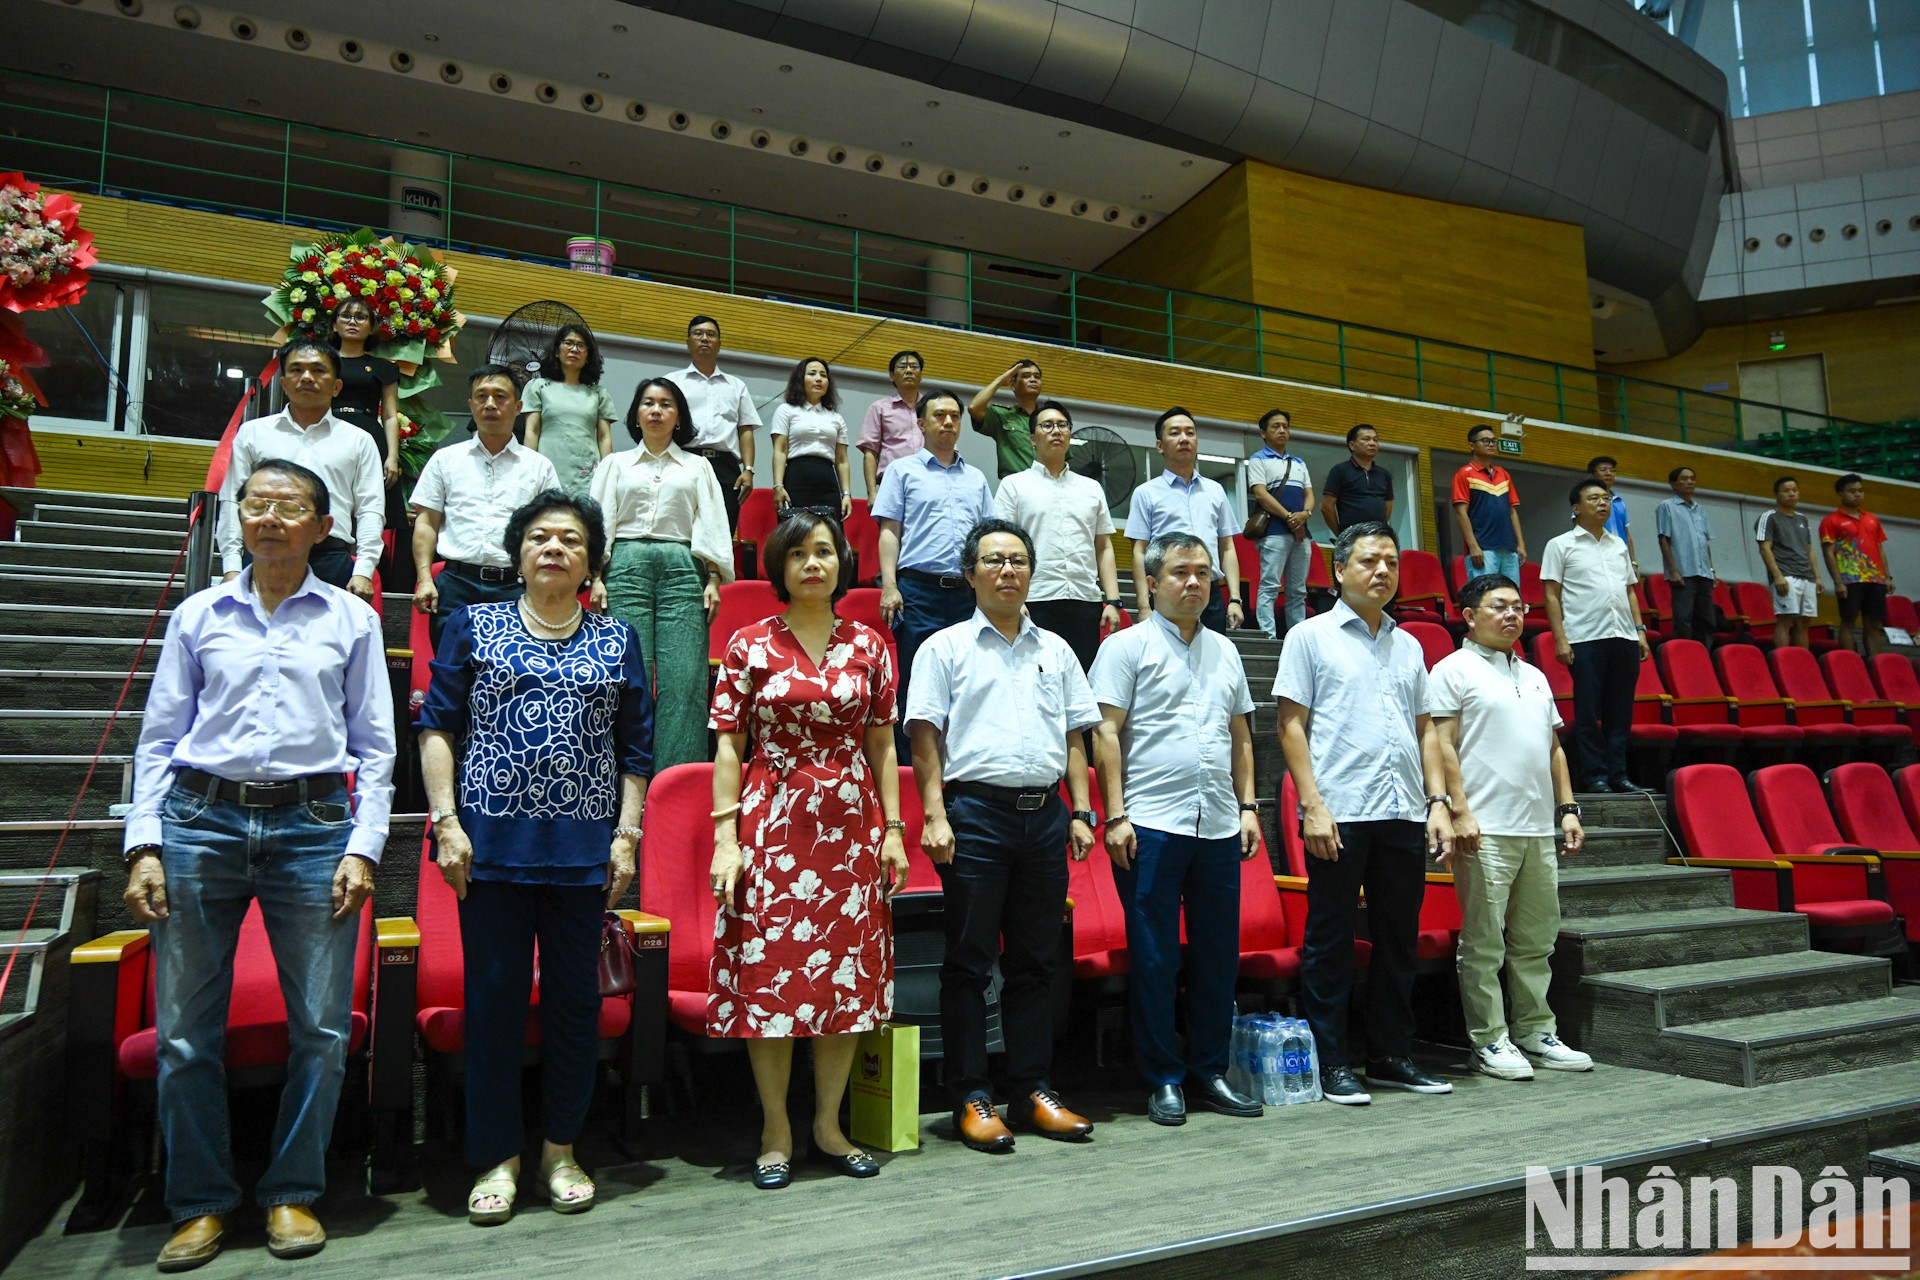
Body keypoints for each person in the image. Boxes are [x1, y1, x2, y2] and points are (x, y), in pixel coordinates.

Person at [123, 458, 395, 1271]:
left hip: (314, 824)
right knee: (183, 1032)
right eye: (258, 503)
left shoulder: (351, 620)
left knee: (319, 1025)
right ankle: (201, 1201)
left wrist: (363, 845)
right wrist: (144, 842)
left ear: (322, 527)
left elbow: (377, 748)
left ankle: (291, 1191)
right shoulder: (198, 614)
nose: (272, 517)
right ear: (238, 517)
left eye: (292, 506)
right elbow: (159, 738)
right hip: (200, 819)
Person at [418, 490, 652, 1227]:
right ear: (518, 553)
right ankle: (496, 1156)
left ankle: (560, 1149)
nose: (555, 548)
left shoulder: (617, 640)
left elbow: (636, 749)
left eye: (572, 540)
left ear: (590, 561)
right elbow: (437, 727)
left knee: (576, 1008)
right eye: (541, 538)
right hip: (488, 848)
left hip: (584, 851)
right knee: (492, 1003)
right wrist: (446, 822)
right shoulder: (473, 624)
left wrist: (627, 834)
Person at [708, 511, 910, 1190]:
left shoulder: (871, 644)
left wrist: (892, 830)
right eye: (798, 553)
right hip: (773, 822)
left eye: (824, 551)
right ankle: (775, 1128)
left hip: (851, 827)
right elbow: (730, 746)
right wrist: (725, 839)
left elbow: (883, 744)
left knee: (844, 980)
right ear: (780, 565)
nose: (813, 563)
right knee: (771, 977)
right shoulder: (748, 644)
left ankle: (828, 1123)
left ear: (842, 562)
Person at [907, 518, 1102, 1153]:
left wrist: (1080, 809)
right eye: (994, 560)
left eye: (1018, 560)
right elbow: (926, 740)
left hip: (1045, 815)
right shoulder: (944, 648)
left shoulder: (1058, 650)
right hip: (976, 815)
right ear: (970, 573)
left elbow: (1075, 738)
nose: (1008, 570)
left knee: (1035, 962)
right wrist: (934, 815)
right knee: (967, 962)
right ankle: (970, 1094)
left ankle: (1032, 1089)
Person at [1274, 521, 1455, 1106]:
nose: (1382, 572)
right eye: (1369, 561)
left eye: (1391, 563)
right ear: (1339, 570)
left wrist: (1437, 803)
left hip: (1403, 808)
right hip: (1341, 810)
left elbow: (1426, 730)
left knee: (1397, 939)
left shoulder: (1410, 643)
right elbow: (1290, 726)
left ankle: (1390, 1055)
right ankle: (1332, 1063)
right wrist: (1313, 806)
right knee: (1329, 941)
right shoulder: (1310, 636)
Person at [1090, 532, 1265, 1126]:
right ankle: (1163, 1077)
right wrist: (1115, 814)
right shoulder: (1125, 646)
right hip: (1151, 823)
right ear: (1155, 580)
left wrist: (1248, 807)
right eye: (1180, 572)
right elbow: (1105, 733)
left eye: (1203, 574)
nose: (1194, 583)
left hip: (1218, 821)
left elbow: (1241, 736)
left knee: (1218, 956)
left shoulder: (1227, 650)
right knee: (1157, 958)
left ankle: (1210, 1070)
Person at [1428, 573, 1592, 1082]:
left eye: (1518, 607)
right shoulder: (1452, 669)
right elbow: (1441, 743)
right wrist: (1459, 810)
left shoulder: (1537, 675)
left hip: (1537, 826)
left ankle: (1535, 1030)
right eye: (1498, 606)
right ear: (1469, 615)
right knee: (1484, 942)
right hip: (1485, 827)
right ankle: (1489, 1039)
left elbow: (1554, 748)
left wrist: (1567, 807)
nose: (1512, 615)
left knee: (1536, 939)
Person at [590, 377, 733, 772]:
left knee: (684, 683)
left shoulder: (698, 466)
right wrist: (596, 576)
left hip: (683, 568)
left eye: (666, 404)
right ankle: (620, 781)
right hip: (626, 565)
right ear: (636, 414)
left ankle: (677, 785)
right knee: (625, 679)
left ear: (679, 417)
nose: (656, 410)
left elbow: (712, 524)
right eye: (648, 403)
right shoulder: (614, 464)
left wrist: (714, 579)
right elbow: (599, 522)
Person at [873, 388, 994, 757]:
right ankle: (911, 771)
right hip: (918, 591)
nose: (948, 422)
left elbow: (988, 541)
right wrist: (890, 586)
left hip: (966, 595)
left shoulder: (976, 478)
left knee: (969, 680)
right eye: (939, 415)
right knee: (917, 681)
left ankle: (962, 763)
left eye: (955, 416)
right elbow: (889, 532)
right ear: (922, 424)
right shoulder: (901, 471)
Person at [411, 365, 561, 653]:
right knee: (451, 674)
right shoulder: (445, 460)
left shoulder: (539, 467)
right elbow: (426, 523)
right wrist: (425, 578)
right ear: (471, 405)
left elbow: (551, 531)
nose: (490, 404)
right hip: (455, 586)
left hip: (515, 587)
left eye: (500, 396)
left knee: (511, 678)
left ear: (518, 407)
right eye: (481, 396)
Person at [218, 340, 383, 600]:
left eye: (318, 370)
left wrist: (363, 570)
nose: (307, 377)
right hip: (264, 553)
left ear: (336, 386)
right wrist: (231, 566)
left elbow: (370, 507)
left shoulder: (359, 440)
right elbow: (232, 501)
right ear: (283, 384)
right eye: (296, 370)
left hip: (330, 559)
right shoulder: (253, 433)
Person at [991, 400, 1123, 672]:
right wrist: (1014, 602)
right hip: (1035, 601)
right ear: (1032, 438)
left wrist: (1112, 601)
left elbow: (1103, 547)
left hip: (1085, 602)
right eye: (1047, 425)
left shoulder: (1091, 488)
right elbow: (1001, 547)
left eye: (1062, 425)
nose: (1056, 431)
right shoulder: (1014, 485)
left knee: (1081, 683)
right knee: (1034, 681)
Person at [1542, 479, 1652, 794]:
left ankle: (1619, 773)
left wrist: (1640, 630)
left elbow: (1630, 591)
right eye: (1594, 498)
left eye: (1606, 498)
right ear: (1576, 508)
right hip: (1585, 636)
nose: (1603, 503)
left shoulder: (1618, 545)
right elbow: (1551, 595)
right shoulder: (1560, 545)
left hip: (1624, 636)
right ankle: (1594, 776)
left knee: (1620, 710)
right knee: (1588, 710)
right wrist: (1560, 638)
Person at [1124, 407, 1243, 635]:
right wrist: (1143, 606)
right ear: (1160, 445)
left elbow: (1227, 547)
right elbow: (1139, 552)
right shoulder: (1146, 493)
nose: (1184, 439)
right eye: (1175, 433)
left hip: (1209, 593)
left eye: (1190, 433)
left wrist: (1235, 598)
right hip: (1168, 591)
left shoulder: (1215, 491)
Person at [326, 297, 406, 587]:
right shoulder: (321, 360)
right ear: (334, 324)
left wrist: (392, 457)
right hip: (327, 433)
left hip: (369, 437)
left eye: (361, 317)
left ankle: (362, 569)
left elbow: (389, 414)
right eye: (345, 316)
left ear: (372, 328)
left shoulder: (383, 367)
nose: (352, 321)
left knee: (368, 503)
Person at [668, 314, 761, 529]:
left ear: (719, 344)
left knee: (722, 531)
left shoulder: (736, 386)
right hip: (684, 460)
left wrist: (749, 469)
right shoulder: (672, 382)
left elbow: (745, 430)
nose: (704, 338)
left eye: (711, 334)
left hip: (726, 467)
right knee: (682, 528)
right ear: (688, 341)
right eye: (698, 334)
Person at [523, 324, 616, 499]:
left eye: (581, 345)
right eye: (569, 343)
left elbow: (604, 438)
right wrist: (529, 467)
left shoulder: (598, 393)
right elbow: (532, 431)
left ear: (588, 356)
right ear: (557, 351)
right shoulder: (538, 387)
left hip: (587, 474)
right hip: (547, 467)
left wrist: (608, 473)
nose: (575, 349)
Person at [1245, 408, 1314, 639]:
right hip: (1274, 532)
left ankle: (1298, 639)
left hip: (1301, 533)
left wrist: (1305, 513)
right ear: (1263, 433)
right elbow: (1261, 495)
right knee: (1270, 586)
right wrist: (1289, 517)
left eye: (1285, 426)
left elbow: (1310, 494)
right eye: (1276, 426)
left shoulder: (1299, 462)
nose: (1282, 430)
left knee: (1298, 591)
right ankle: (1269, 637)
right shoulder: (1257, 459)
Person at [1821, 473, 1895, 656]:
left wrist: (1887, 576)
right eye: (1852, 491)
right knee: (1848, 621)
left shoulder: (1872, 519)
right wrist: (1838, 582)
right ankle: (1848, 662)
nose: (1858, 495)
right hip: (1850, 578)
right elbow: (1828, 553)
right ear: (1840, 493)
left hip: (1875, 578)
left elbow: (1880, 549)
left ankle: (1875, 664)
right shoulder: (1831, 521)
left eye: (1861, 491)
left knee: (1873, 624)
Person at [768, 356, 852, 516]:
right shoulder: (786, 410)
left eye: (823, 375)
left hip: (828, 481)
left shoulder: (836, 418)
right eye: (812, 374)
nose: (818, 379)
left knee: (829, 535)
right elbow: (780, 450)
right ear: (801, 379)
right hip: (796, 478)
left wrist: (846, 494)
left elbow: (842, 460)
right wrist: (778, 486)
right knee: (796, 534)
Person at [1756, 476, 1823, 650]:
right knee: (1786, 619)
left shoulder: (1802, 519)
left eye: (1794, 490)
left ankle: (1802, 661)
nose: (1791, 494)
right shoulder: (1768, 517)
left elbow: (1809, 550)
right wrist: (1778, 577)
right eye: (1786, 491)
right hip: (1786, 575)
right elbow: (1765, 549)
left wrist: (1818, 577)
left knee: (1804, 622)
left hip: (1806, 576)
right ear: (1776, 494)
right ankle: (1782, 661)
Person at [1451, 425, 1525, 582]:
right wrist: (1473, 546)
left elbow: (1512, 512)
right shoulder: (1464, 474)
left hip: (1509, 549)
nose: (1491, 444)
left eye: (1494, 441)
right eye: (1485, 441)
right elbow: (1461, 512)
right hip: (1483, 549)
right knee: (1485, 597)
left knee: (1511, 597)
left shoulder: (1504, 474)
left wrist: (1521, 544)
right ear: (1471, 445)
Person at [1656, 466, 1716, 643]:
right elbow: (1663, 539)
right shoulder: (1666, 506)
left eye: (1692, 478)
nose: (1689, 482)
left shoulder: (1700, 509)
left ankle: (1703, 657)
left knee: (1707, 620)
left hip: (1704, 572)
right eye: (1684, 479)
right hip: (1683, 572)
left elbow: (1705, 542)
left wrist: (1711, 569)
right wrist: (1673, 570)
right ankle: (1682, 658)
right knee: (1683, 619)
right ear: (1673, 484)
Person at [856, 349, 925, 499]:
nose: (908, 371)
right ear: (891, 375)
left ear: (921, 374)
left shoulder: (932, 407)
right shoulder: (880, 408)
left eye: (914, 367)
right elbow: (870, 453)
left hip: (929, 482)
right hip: (892, 483)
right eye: (902, 367)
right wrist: (872, 492)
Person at [968, 358, 1044, 478]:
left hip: (1047, 486)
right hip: (1016, 487)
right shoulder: (1002, 415)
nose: (1033, 379)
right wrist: (1001, 380)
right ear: (1013, 384)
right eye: (1026, 376)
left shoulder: (1050, 418)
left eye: (1037, 376)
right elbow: (974, 408)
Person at [1319, 423, 1394, 536]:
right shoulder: (1340, 470)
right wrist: (1340, 535)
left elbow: (1388, 506)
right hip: (1352, 537)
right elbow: (1326, 506)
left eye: (1375, 440)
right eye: (1366, 439)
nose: (1372, 443)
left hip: (1379, 536)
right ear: (1352, 445)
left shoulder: (1384, 474)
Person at [1586, 456, 1640, 569]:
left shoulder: (1619, 500)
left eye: (1612, 470)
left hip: (1621, 557)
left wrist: (1633, 562)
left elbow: (1627, 533)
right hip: (1598, 557)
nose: (1608, 473)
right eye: (1603, 470)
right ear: (1591, 475)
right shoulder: (1586, 500)